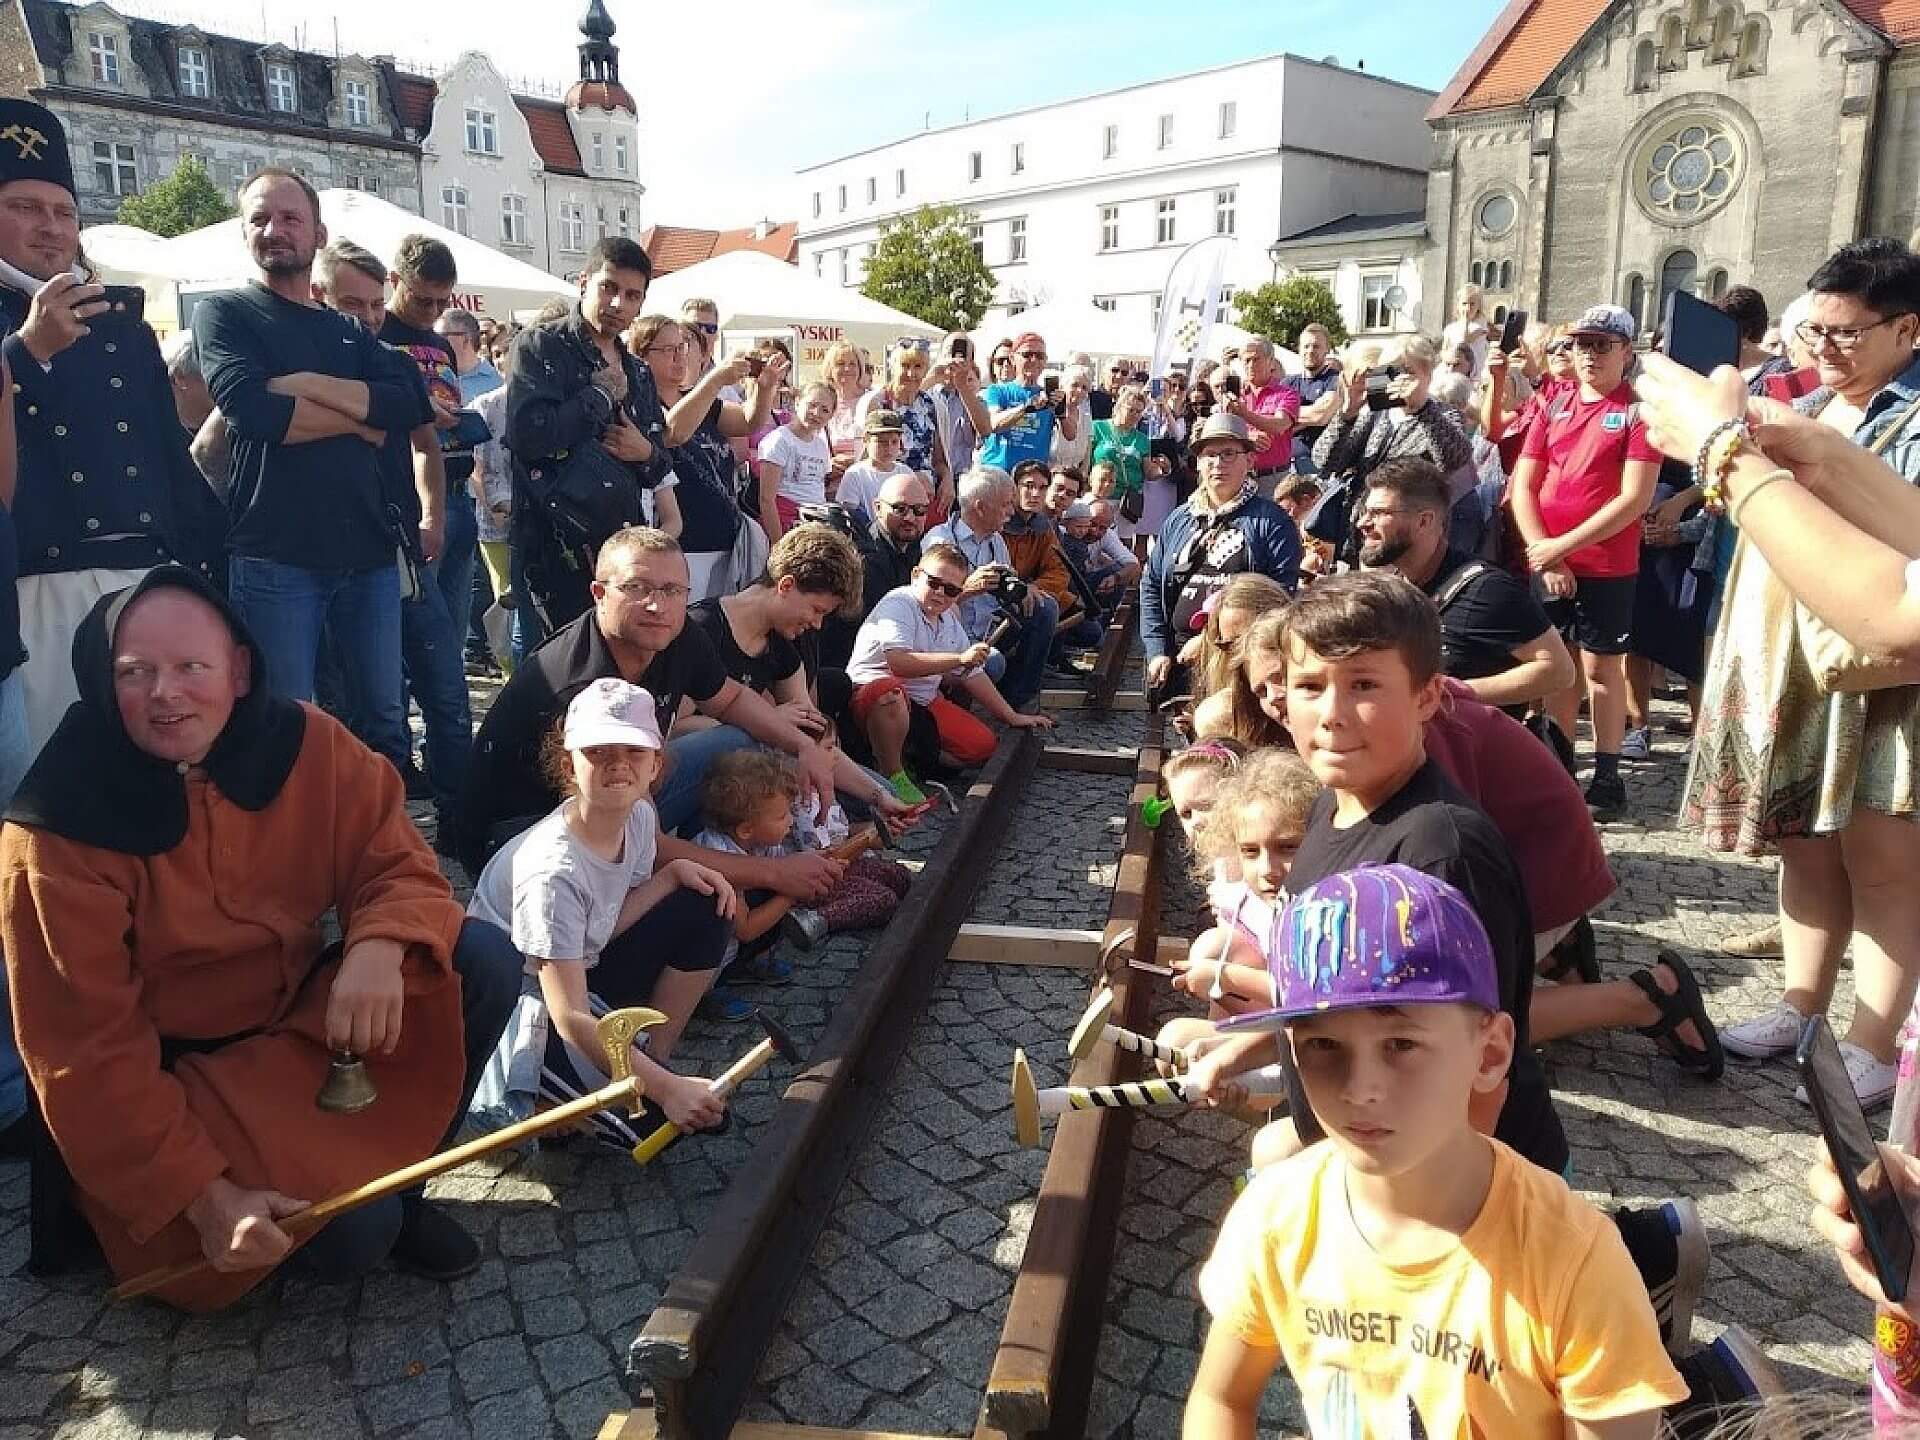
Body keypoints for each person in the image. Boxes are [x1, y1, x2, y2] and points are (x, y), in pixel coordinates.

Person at [0, 566, 519, 1305]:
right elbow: (84, 1057)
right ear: (100, 680)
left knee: (476, 959)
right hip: (179, 1088)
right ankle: (353, 1202)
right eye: (135, 672)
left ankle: (409, 1187)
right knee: (352, 1239)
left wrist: (377, 943)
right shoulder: (56, 827)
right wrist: (206, 1198)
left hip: (296, 1031)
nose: (165, 694)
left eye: (190, 667)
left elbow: (398, 860)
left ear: (240, 671)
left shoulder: (305, 741)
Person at [1185, 864, 1688, 1439]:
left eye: (1401, 1043)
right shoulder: (1276, 1213)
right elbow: (1221, 1399)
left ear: (1491, 1053)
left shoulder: (1573, 1260)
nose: (1359, 1087)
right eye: (1323, 1044)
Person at [1640, 239, 1920, 1110]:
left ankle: (1872, 1041)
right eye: (1814, 330)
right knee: (1804, 842)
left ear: (1909, 329)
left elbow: (1894, 563)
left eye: (1846, 333)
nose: (1824, 348)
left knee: (1883, 862)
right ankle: (1802, 1012)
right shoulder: (1821, 408)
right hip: (1803, 662)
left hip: (1885, 673)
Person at [0, 99, 225, 755]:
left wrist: (203, 567)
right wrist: (24, 353)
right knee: (53, 778)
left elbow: (163, 451)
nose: (50, 228)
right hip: (35, 590)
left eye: (63, 212)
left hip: (144, 578)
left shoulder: (120, 321)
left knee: (152, 767)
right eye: (24, 208)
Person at [193, 170, 430, 775]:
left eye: (290, 218)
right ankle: (286, 850)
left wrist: (308, 387)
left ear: (318, 233)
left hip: (368, 552)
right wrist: (360, 418)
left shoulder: (346, 328)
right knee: (282, 715)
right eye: (260, 219)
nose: (275, 230)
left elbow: (411, 402)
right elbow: (253, 412)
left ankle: (386, 844)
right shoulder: (225, 312)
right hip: (276, 552)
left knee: (383, 715)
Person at [455, 526, 843, 858]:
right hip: (519, 836)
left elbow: (731, 699)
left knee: (740, 740)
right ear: (599, 593)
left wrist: (804, 746)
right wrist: (774, 876)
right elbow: (645, 844)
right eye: (636, 587)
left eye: (673, 590)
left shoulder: (678, 634)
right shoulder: (582, 685)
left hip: (613, 802)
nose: (657, 605)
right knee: (689, 899)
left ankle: (726, 866)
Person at [465, 678, 733, 1143]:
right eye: (599, 752)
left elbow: (604, 923)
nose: (618, 766)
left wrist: (671, 875)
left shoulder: (641, 817)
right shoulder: (552, 871)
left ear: (655, 766)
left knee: (704, 902)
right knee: (656, 1126)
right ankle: (541, 1096)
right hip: (526, 1005)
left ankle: (652, 1056)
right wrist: (667, 1093)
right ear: (569, 766)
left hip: (577, 967)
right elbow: (568, 1014)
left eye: (634, 753)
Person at [1508, 304, 1661, 820]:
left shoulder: (1638, 412)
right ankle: (1561, 765)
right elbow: (1524, 484)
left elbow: (1633, 500)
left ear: (1626, 352)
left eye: (1602, 344)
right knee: (1557, 667)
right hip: (1548, 559)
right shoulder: (1553, 403)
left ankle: (1609, 774)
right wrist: (1542, 550)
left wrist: (1560, 547)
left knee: (1600, 670)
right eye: (1581, 344)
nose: (1589, 354)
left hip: (1607, 565)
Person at [503, 236, 672, 652]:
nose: (618, 304)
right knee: (554, 678)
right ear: (584, 283)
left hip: (619, 548)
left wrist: (645, 452)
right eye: (609, 288)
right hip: (552, 544)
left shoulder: (638, 370)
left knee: (615, 669)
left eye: (632, 296)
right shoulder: (540, 346)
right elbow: (528, 437)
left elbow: (661, 461)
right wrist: (596, 398)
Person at [365, 236, 476, 845]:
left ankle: (450, 790)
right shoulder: (374, 335)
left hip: (450, 495)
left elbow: (442, 415)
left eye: (441, 302)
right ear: (396, 281)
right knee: (398, 672)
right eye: (423, 299)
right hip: (393, 514)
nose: (432, 312)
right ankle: (404, 793)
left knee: (449, 647)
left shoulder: (434, 344)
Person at [684, 523, 909, 819]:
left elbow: (809, 735)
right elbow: (675, 728)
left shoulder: (783, 643)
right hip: (704, 778)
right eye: (816, 610)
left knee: (877, 801)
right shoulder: (704, 629)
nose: (816, 624)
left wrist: (877, 796)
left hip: (755, 772)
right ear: (786, 585)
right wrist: (763, 723)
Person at [1356, 457, 1575, 711]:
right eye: (1365, 512)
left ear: (1424, 521)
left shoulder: (1487, 590)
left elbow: (1559, 670)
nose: (1363, 523)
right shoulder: (1394, 587)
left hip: (1476, 746)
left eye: (1380, 513)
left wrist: (1449, 693)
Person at [693, 749, 911, 974]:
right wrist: (794, 891)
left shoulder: (760, 840)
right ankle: (738, 973)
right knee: (883, 900)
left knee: (898, 877)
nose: (790, 820)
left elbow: (806, 860)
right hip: (712, 965)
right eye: (781, 816)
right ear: (746, 829)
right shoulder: (722, 855)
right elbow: (746, 929)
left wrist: (865, 839)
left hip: (766, 908)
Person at [845, 541, 1053, 777]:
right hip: (873, 697)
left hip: (922, 701)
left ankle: (913, 755)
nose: (941, 593)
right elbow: (898, 663)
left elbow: (973, 674)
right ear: (916, 575)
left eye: (952, 590)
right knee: (890, 694)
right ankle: (893, 773)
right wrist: (959, 659)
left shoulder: (947, 619)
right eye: (934, 583)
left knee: (983, 747)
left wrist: (1011, 716)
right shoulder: (899, 603)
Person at [1141, 414, 1302, 699]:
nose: (1218, 463)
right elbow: (1152, 583)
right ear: (1199, 463)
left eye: (1229, 454)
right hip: (1177, 657)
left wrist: (1209, 642)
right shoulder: (1180, 519)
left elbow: (1279, 599)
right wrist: (1156, 650)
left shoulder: (1273, 522)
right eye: (1210, 455)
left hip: (1238, 660)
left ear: (1250, 461)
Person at [635, 313, 780, 600]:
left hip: (725, 538)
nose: (679, 357)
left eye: (682, 347)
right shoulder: (643, 405)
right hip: (684, 545)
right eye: (669, 350)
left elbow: (749, 422)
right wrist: (714, 381)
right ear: (641, 355)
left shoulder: (700, 398)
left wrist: (764, 389)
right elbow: (673, 432)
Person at [1310, 335, 1474, 566]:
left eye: (1408, 371)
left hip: (1407, 538)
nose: (1398, 379)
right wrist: (1347, 414)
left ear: (1426, 374)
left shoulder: (1443, 414)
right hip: (1362, 532)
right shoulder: (1373, 414)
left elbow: (1454, 460)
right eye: (1391, 371)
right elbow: (1325, 462)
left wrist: (1422, 410)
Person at [925, 467, 1060, 711]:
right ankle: (962, 705)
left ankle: (1018, 699)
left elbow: (1007, 585)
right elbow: (927, 606)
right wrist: (966, 589)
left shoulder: (995, 540)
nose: (1011, 511)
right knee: (994, 663)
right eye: (1006, 504)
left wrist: (1022, 588)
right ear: (980, 507)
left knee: (1045, 606)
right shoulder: (940, 542)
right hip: (951, 639)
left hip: (990, 627)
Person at [1004, 459, 1093, 650]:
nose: (1035, 494)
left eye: (1041, 488)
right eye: (1029, 486)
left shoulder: (1044, 526)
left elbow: (1059, 571)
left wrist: (1034, 588)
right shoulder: (1000, 521)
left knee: (1090, 628)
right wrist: (1022, 590)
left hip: (1033, 593)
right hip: (1003, 599)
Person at [856, 340, 951, 515]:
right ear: (893, 367)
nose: (911, 373)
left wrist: (947, 479)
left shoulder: (934, 406)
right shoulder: (876, 402)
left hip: (926, 498)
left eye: (918, 366)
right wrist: (910, 479)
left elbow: (939, 460)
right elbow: (864, 457)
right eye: (905, 366)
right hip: (886, 495)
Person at [979, 332, 1075, 475]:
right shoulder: (998, 390)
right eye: (1027, 354)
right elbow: (994, 424)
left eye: (1040, 356)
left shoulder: (1048, 395)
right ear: (1013, 358)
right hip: (998, 472)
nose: (1034, 360)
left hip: (1032, 476)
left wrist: (1061, 412)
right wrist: (1027, 408)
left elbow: (1070, 435)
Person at [757, 380, 835, 543]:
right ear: (798, 402)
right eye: (812, 405)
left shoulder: (821, 445)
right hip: (786, 522)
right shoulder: (779, 441)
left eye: (825, 410)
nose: (816, 413)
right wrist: (778, 543)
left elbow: (818, 487)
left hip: (815, 524)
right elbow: (766, 499)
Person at [1222, 337, 1299, 487]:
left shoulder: (1287, 394)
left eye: (1256, 359)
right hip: (1240, 477)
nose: (1251, 365)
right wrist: (1247, 437)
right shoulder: (1235, 396)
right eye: (1246, 360)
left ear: (1270, 362)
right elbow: (1223, 431)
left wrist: (1244, 414)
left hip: (1274, 478)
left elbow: (1280, 425)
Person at [925, 334, 990, 487]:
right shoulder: (927, 393)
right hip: (924, 477)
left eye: (962, 354)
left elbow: (985, 430)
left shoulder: (973, 399)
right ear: (940, 355)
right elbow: (907, 407)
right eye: (950, 351)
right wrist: (933, 376)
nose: (955, 359)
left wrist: (962, 385)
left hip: (960, 480)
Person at [835, 408, 915, 525]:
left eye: (894, 442)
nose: (888, 448)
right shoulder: (855, 474)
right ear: (866, 440)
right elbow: (848, 514)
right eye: (881, 442)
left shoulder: (905, 472)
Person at [1282, 323, 1342, 476]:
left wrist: (1286, 418)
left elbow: (1320, 415)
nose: (1310, 351)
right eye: (1306, 346)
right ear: (1299, 349)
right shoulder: (1287, 383)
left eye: (1316, 346)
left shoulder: (1336, 380)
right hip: (1286, 465)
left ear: (1326, 349)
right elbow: (1271, 420)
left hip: (1318, 466)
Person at [1091, 384, 1153, 531]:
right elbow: (1087, 460)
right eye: (1130, 410)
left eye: (1139, 412)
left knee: (1124, 543)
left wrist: (1164, 469)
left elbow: (1148, 472)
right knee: (1095, 537)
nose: (1135, 415)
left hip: (1127, 500)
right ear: (1119, 406)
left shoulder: (1142, 439)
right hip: (1102, 494)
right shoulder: (1098, 427)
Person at [820, 339, 871, 484]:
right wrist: (827, 465)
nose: (847, 369)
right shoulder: (820, 402)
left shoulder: (872, 401)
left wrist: (856, 461)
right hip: (828, 486)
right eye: (840, 364)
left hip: (864, 483)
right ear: (830, 369)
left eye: (852, 364)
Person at [1049, 363, 1095, 473]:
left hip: (1075, 479)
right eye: (1075, 385)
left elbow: (1086, 459)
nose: (1080, 391)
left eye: (1084, 388)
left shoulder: (1086, 418)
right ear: (1063, 386)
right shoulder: (1049, 414)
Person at [1442, 282, 1492, 378]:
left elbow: (1464, 341)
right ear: (1458, 305)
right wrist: (1446, 357)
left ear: (1478, 307)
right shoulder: (1450, 328)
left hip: (1473, 371)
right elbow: (1444, 348)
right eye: (1464, 303)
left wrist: (1466, 321)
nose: (1468, 308)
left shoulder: (1481, 326)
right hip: (1453, 366)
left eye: (1472, 304)